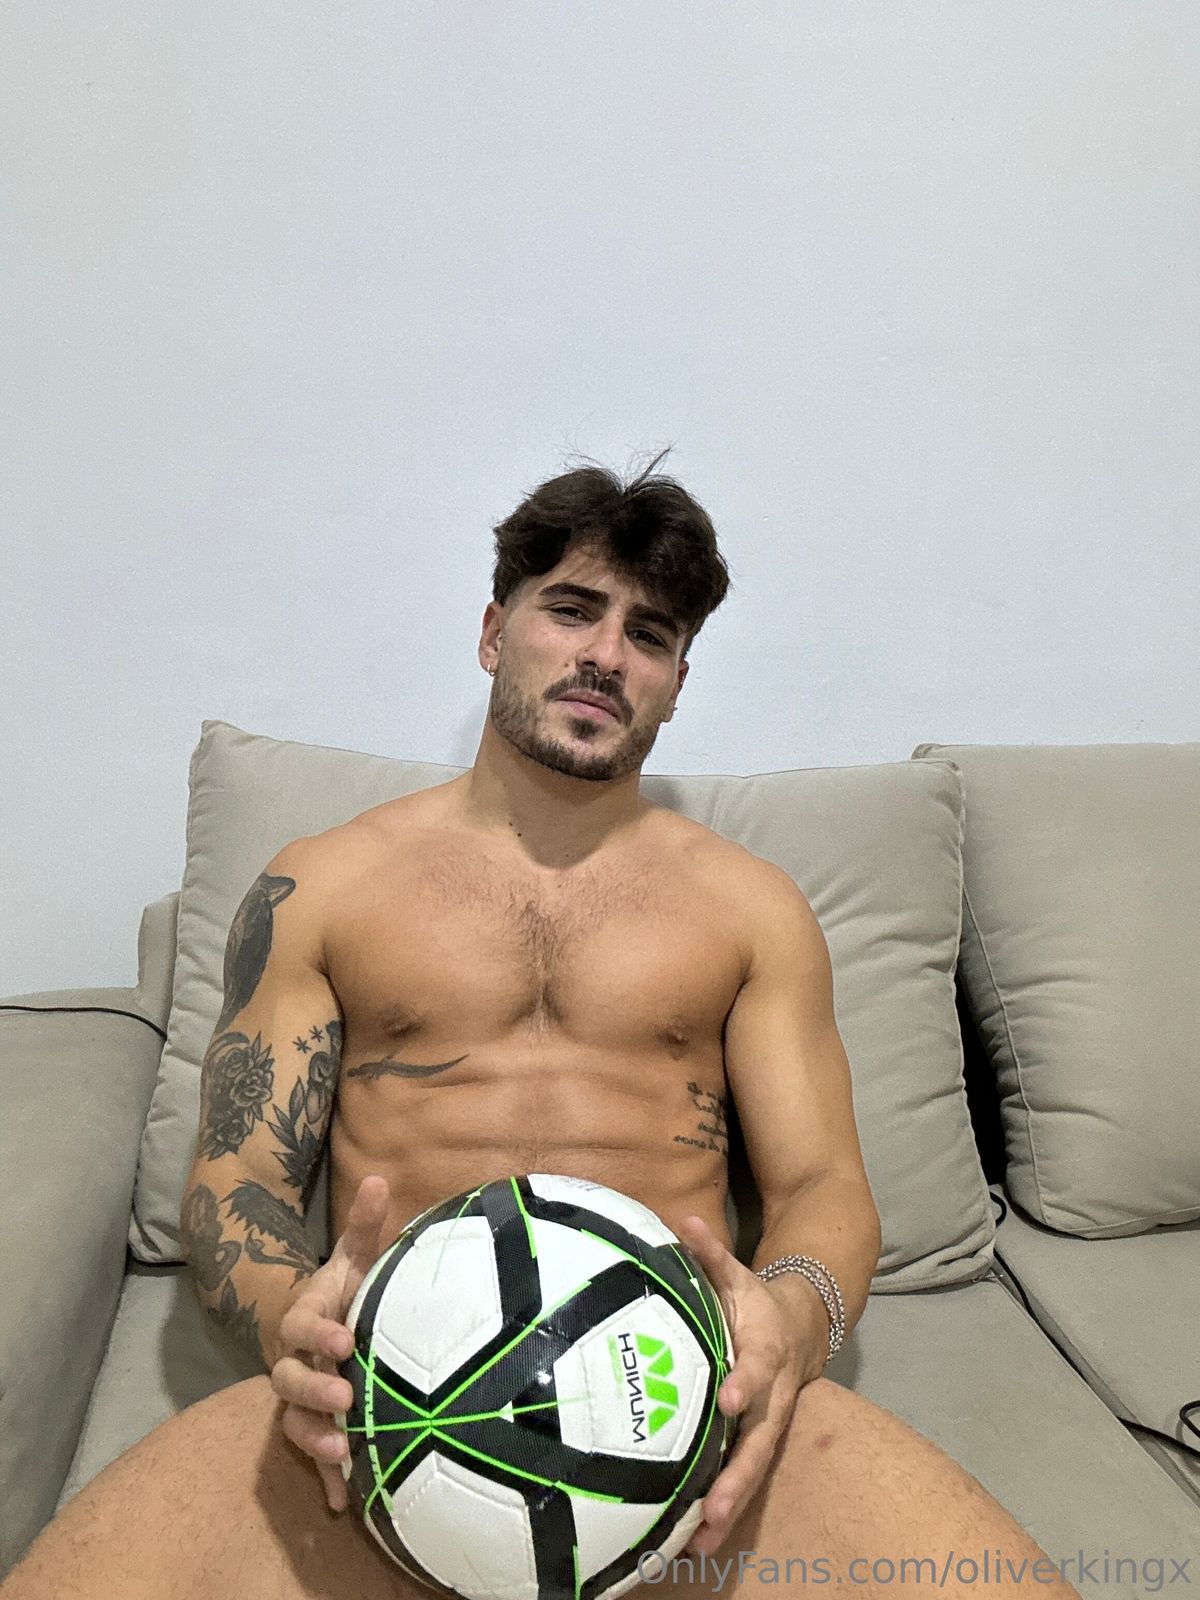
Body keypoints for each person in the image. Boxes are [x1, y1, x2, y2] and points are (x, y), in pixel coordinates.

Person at [0, 450, 1082, 1600]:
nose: (606, 654)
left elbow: (824, 1185)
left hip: (678, 1399)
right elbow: (240, 1178)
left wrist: (791, 1318)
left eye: (650, 635)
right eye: (571, 609)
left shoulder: (753, 910)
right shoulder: (322, 887)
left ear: (676, 683)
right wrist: (290, 1324)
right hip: (388, 1405)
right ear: (492, 633)